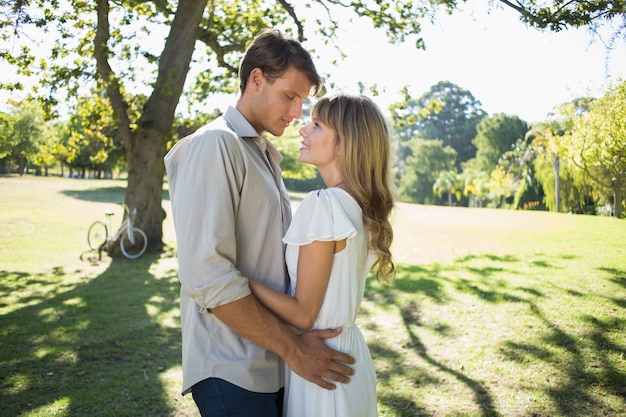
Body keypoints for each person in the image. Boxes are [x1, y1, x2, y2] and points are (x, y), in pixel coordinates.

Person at [164, 29, 355, 417]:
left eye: (302, 100)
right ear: (256, 79)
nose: (297, 111)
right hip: (233, 369)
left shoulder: (262, 154)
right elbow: (206, 275)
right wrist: (293, 348)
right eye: (290, 95)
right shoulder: (215, 145)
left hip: (272, 364)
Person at [249, 94, 397, 417]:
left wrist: (240, 281)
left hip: (324, 366)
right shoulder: (361, 207)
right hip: (348, 357)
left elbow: (303, 314)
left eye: (316, 125)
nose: (303, 130)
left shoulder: (325, 204)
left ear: (344, 144)